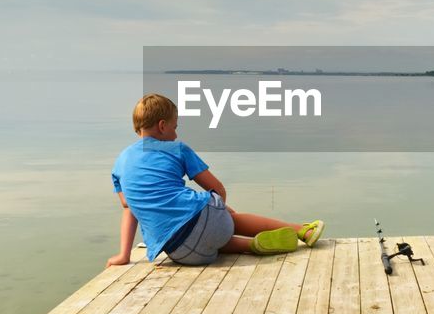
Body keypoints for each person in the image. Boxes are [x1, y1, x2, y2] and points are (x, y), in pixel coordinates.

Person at [107, 93, 324, 267]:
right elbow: (217, 188)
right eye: (175, 127)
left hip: (181, 252)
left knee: (197, 237)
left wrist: (123, 255)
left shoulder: (120, 163)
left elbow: (129, 208)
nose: (175, 134)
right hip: (209, 222)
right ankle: (301, 231)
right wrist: (224, 210)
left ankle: (250, 246)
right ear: (162, 126)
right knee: (228, 219)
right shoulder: (177, 149)